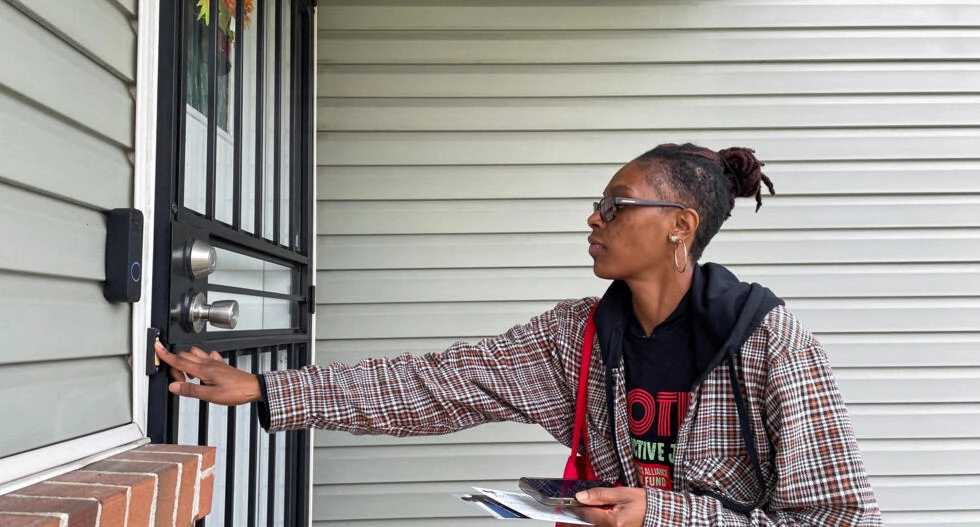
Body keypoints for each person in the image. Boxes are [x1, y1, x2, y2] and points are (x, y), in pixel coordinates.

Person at [156, 143, 882, 527]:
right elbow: (437, 385)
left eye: (614, 204)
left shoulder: (768, 343)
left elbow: (839, 520)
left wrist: (662, 516)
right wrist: (267, 387)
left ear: (679, 227)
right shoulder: (577, 337)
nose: (593, 218)